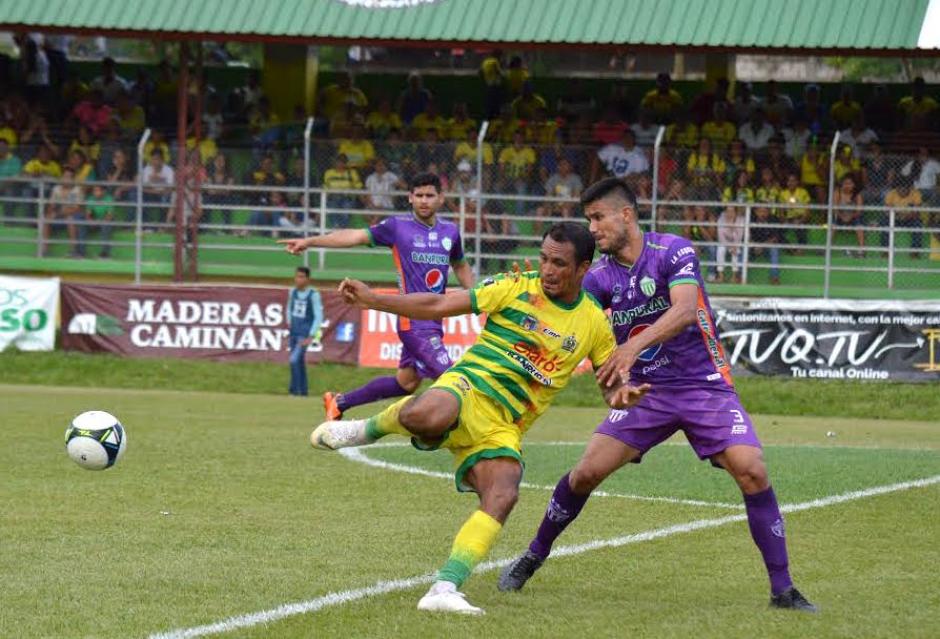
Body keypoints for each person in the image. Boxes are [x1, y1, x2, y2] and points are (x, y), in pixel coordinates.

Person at [497, 178, 817, 613]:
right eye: (587, 220)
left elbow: (685, 310)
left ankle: (783, 590)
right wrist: (611, 385)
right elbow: (584, 330)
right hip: (646, 392)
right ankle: (533, 555)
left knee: (752, 470)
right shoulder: (600, 277)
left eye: (597, 218)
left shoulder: (674, 250)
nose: (591, 228)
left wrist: (630, 346)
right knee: (586, 473)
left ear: (625, 215)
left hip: (704, 385)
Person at [313, 221, 650, 615]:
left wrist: (619, 396)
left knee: (504, 493)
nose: (547, 270)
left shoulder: (593, 322)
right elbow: (440, 305)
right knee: (429, 412)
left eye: (558, 263)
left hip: (504, 425)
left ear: (583, 269)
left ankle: (444, 588)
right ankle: (364, 429)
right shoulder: (514, 286)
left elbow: (608, 384)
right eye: (543, 259)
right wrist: (375, 300)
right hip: (468, 387)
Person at [278, 172, 474, 419]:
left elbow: (460, 264)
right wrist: (310, 241)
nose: (424, 200)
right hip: (412, 322)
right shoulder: (396, 227)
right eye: (419, 195)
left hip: (435, 319)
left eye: (430, 195)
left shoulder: (450, 232)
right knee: (453, 379)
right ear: (410, 198)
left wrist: (476, 296)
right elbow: (354, 236)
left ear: (441, 199)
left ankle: (339, 403)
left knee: (406, 383)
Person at [286, 267, 323, 397]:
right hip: (294, 333)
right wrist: (289, 322)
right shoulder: (292, 292)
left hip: (304, 334)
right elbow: (289, 309)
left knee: (294, 360)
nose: (298, 279)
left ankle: (294, 391)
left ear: (308, 279)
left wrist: (311, 335)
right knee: (299, 362)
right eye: (297, 276)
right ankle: (303, 391)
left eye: (302, 277)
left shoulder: (313, 294)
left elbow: (318, 316)